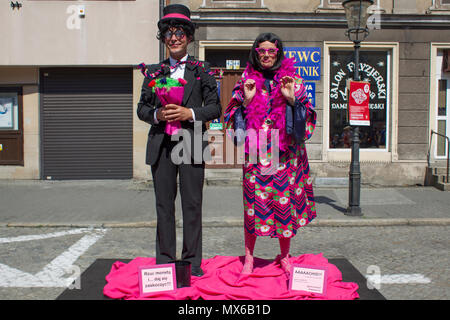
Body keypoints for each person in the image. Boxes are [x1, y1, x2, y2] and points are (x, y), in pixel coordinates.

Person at [137, 4, 221, 277]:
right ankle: (164, 261)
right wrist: (157, 114)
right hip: (161, 143)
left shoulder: (201, 70)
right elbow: (141, 109)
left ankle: (192, 261)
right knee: (163, 205)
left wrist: (189, 112)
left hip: (191, 142)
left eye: (179, 33)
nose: (173, 38)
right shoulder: (152, 72)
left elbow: (214, 107)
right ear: (163, 37)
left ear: (188, 37)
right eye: (168, 33)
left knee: (192, 205)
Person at [224, 33, 317, 276]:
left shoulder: (292, 80)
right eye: (261, 51)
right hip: (255, 152)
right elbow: (230, 115)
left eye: (271, 51)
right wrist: (246, 102)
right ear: (255, 53)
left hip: (285, 153)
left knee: (284, 203)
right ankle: (249, 258)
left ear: (278, 53)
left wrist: (292, 100)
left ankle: (285, 256)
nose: (265, 55)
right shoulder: (246, 79)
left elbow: (308, 116)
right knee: (252, 206)